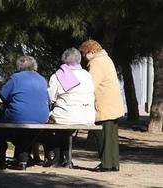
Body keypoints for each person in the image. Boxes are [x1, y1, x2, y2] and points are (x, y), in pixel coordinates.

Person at [0, 56, 49, 170]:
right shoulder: (42, 79)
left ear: (19, 66)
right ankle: (22, 160)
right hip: (41, 119)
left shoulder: (16, 78)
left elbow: (3, 95)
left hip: (18, 117)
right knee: (25, 133)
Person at [43, 47, 96, 168]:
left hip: (65, 115)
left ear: (64, 59)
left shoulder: (58, 75)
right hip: (87, 116)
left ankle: (57, 158)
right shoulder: (87, 75)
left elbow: (50, 98)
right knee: (64, 127)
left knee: (48, 126)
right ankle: (66, 158)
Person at [79, 40, 124, 172]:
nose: (83, 57)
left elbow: (91, 84)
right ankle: (113, 163)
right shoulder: (106, 59)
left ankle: (106, 164)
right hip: (112, 104)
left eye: (84, 53)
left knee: (103, 136)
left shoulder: (96, 63)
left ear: (91, 51)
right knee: (112, 138)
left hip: (104, 105)